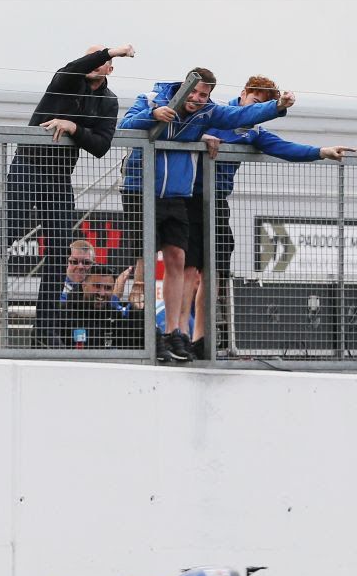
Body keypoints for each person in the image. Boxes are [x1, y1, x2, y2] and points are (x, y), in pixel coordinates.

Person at [0, 43, 136, 340]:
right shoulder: (65, 80)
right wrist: (110, 50)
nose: (96, 63)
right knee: (9, 229)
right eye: (92, 57)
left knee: (59, 246)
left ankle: (45, 328)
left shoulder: (108, 101)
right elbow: (74, 67)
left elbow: (101, 145)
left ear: (110, 70)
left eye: (103, 61)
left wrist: (73, 128)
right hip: (29, 164)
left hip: (59, 175)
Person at [119, 67, 295, 362]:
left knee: (178, 257)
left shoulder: (208, 112)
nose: (199, 99)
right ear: (183, 87)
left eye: (204, 95)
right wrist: (154, 115)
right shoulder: (152, 98)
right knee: (145, 261)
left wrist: (277, 107)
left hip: (177, 193)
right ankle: (145, 331)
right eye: (195, 93)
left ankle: (174, 332)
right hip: (141, 188)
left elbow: (239, 117)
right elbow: (125, 126)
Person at [184, 74, 355, 359]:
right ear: (242, 94)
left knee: (214, 272)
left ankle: (202, 338)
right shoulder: (213, 113)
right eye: (254, 102)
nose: (255, 111)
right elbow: (181, 129)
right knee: (188, 269)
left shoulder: (252, 132)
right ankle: (178, 333)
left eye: (262, 107)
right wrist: (201, 136)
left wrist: (321, 151)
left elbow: (283, 148)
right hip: (187, 197)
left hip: (217, 202)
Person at [57, 263, 143, 349]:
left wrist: (136, 311)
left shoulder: (115, 316)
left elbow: (137, 344)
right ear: (84, 286)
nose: (102, 293)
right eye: (97, 286)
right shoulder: (63, 314)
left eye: (108, 288)